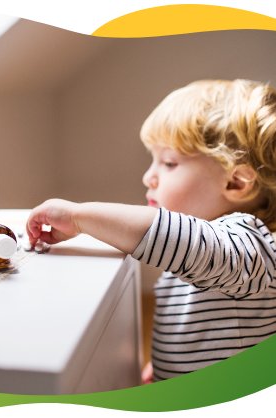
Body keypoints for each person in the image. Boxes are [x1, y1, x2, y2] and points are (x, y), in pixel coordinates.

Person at [26, 79, 276, 383]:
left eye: (169, 163)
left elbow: (177, 239)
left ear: (235, 183)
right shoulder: (211, 246)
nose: (149, 177)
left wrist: (80, 216)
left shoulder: (251, 246)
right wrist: (163, 366)